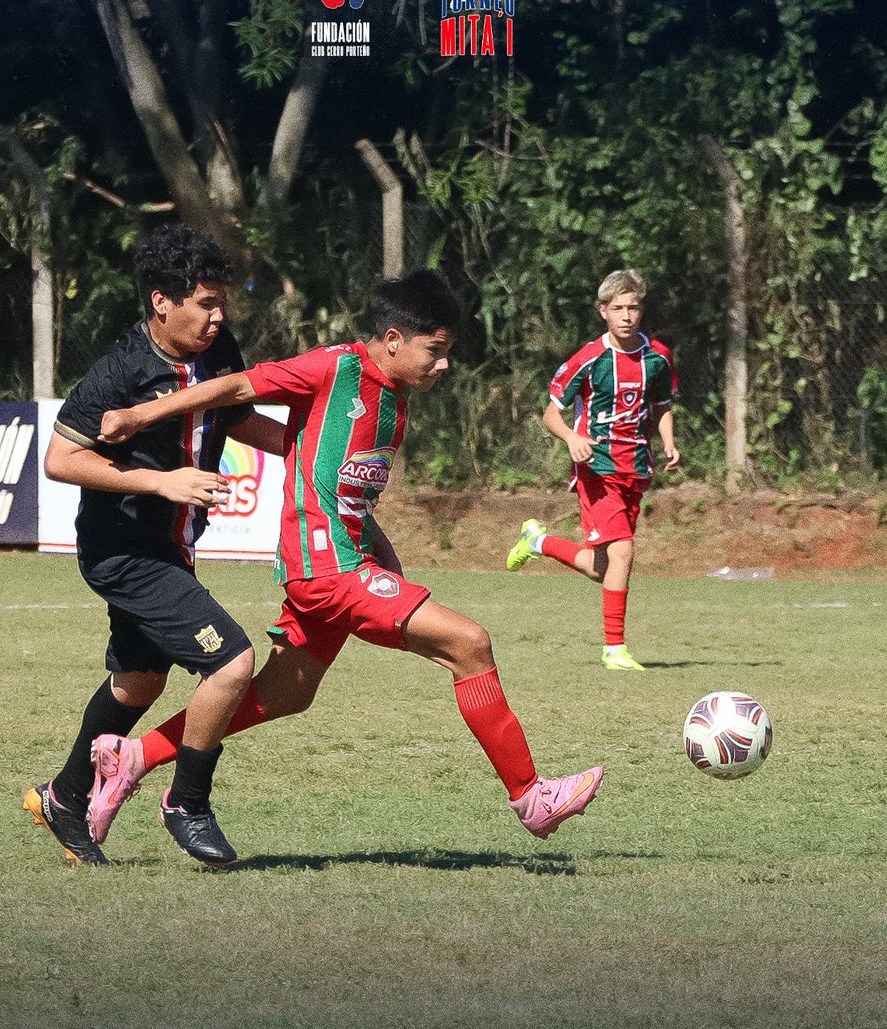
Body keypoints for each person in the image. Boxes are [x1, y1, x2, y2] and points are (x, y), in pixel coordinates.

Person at [86, 269, 603, 848]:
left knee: (286, 694)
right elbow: (235, 389)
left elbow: (347, 491)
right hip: (326, 570)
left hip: (346, 564)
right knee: (469, 643)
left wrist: (383, 552)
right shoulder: (334, 368)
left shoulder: (396, 400)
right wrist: (140, 415)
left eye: (448, 352)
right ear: (392, 340)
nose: (444, 364)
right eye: (434, 350)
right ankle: (531, 796)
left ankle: (134, 756)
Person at [22, 223, 286, 868]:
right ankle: (187, 802)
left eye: (222, 303)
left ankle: (64, 796)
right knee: (232, 663)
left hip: (170, 548)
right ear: (161, 302)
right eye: (206, 303)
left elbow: (236, 417)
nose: (219, 317)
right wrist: (160, 481)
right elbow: (59, 459)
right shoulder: (120, 370)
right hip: (124, 550)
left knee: (139, 682)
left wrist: (310, 450)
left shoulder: (219, 351)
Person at [505, 269, 680, 670]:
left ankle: (538, 542)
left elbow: (662, 407)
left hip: (636, 468)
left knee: (603, 567)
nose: (626, 316)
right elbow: (551, 414)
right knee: (623, 551)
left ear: (642, 309)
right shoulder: (588, 359)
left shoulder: (657, 357)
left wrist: (669, 442)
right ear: (603, 311)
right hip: (597, 467)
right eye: (617, 308)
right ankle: (614, 649)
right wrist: (571, 438)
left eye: (633, 307)